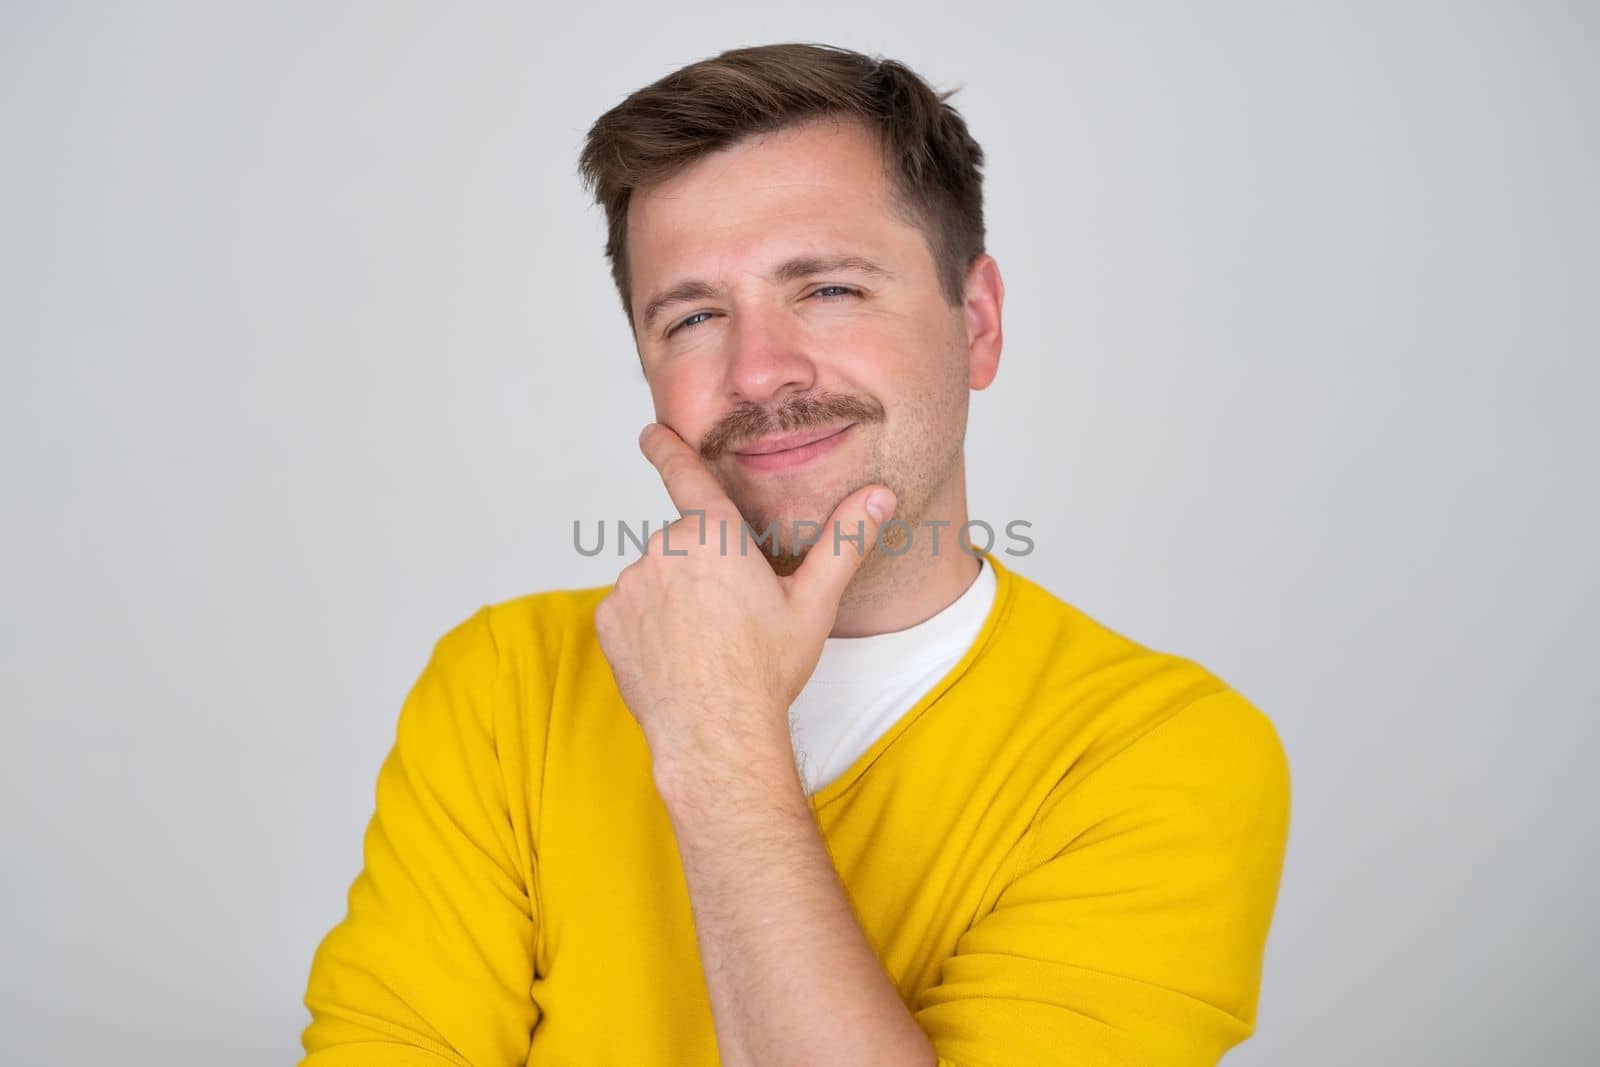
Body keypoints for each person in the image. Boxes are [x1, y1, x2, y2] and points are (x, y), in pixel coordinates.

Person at [298, 41, 1291, 1067]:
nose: (760, 371)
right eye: (693, 315)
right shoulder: (509, 683)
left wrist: (719, 739)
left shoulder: (1163, 755)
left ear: (977, 322)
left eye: (826, 290)